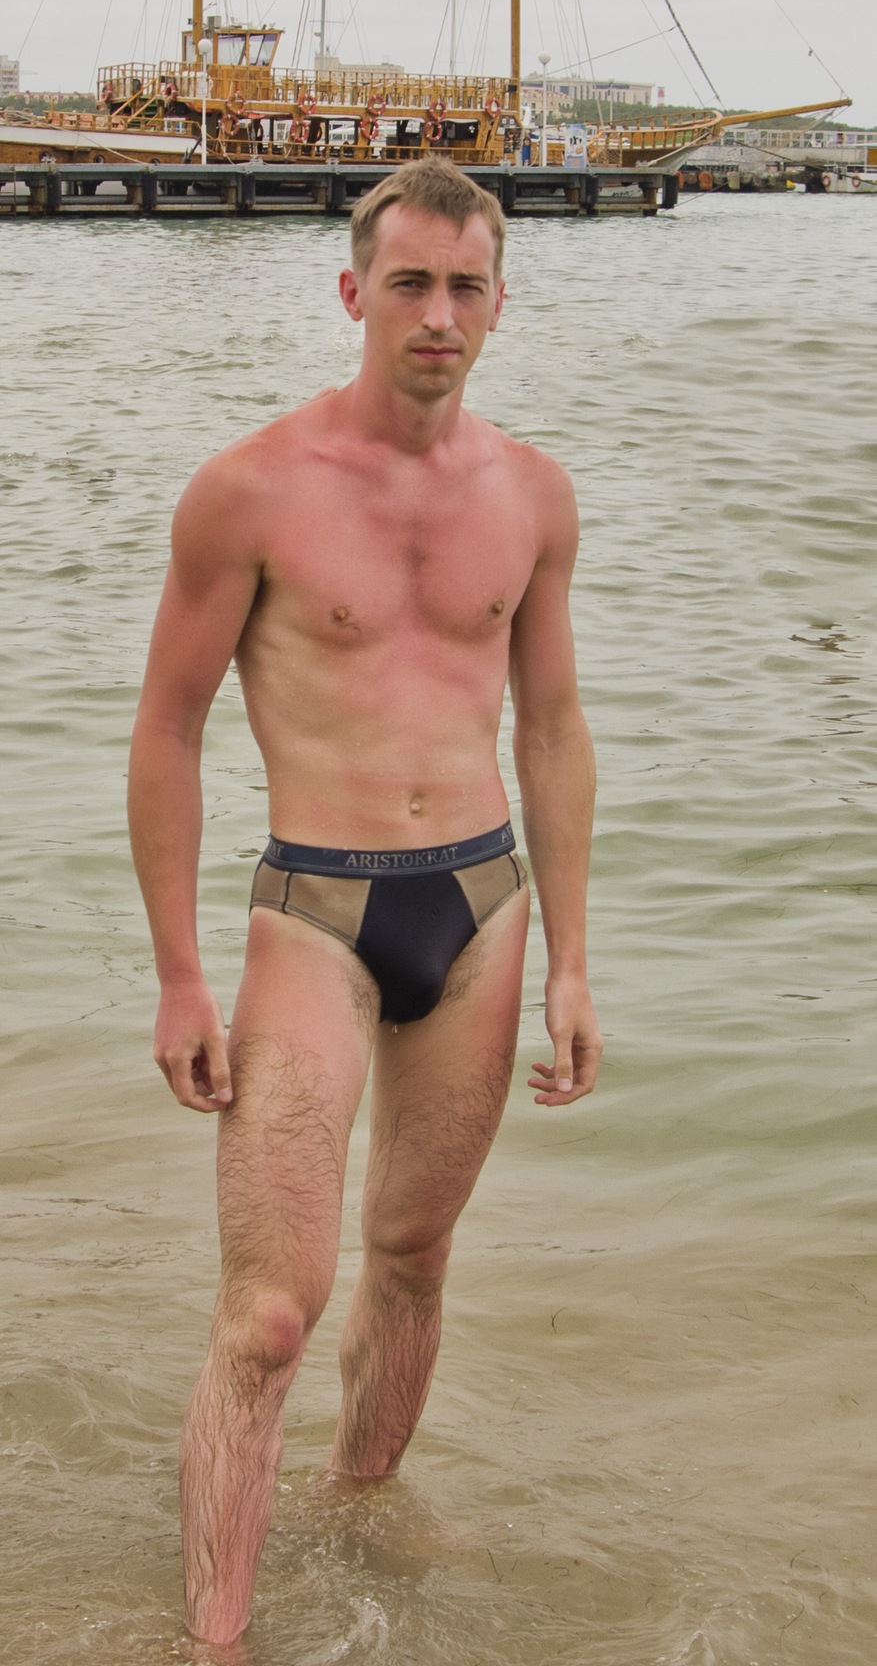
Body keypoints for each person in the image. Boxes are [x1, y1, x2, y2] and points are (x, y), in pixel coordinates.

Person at [128, 156, 601, 1646]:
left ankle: (356, 1535)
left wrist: (571, 961)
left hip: (482, 902)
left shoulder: (532, 494)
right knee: (271, 1311)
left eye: (466, 287)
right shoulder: (252, 490)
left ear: (500, 303)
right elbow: (166, 728)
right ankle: (215, 1635)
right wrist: (179, 973)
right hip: (314, 912)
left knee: (412, 1257)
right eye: (410, 284)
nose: (438, 315)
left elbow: (550, 729)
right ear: (354, 292)